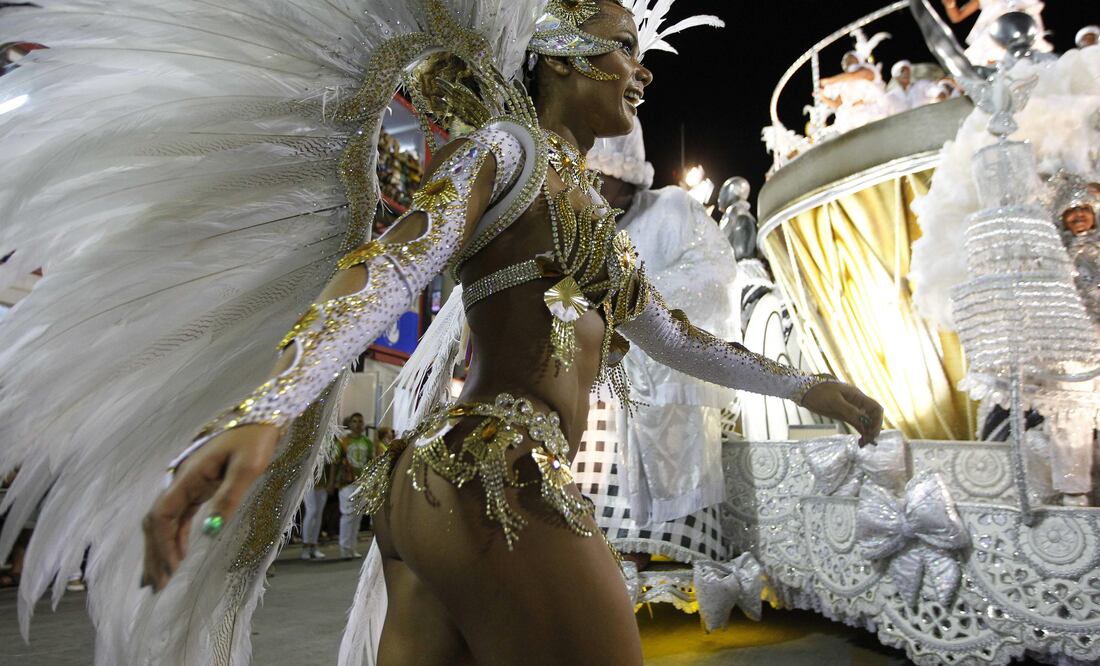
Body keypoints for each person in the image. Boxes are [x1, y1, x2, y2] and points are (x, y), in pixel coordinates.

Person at [0, 1, 883, 664]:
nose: (640, 69)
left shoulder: (601, 229)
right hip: (494, 476)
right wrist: (269, 407)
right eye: (624, 46)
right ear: (563, 54)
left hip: (438, 488)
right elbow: (392, 264)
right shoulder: (509, 151)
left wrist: (808, 386)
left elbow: (677, 337)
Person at [575, 117, 739, 567]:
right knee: (600, 502)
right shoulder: (579, 228)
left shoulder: (674, 209)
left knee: (668, 501)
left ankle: (680, 562)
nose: (587, 187)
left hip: (665, 387)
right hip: (600, 390)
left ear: (620, 172)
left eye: (596, 177)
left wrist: (635, 301)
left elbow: (714, 277)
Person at [819, 34, 892, 135]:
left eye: (850, 57)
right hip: (850, 120)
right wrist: (823, 97)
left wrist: (829, 81)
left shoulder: (869, 70)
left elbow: (854, 75)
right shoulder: (843, 84)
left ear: (858, 59)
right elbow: (837, 104)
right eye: (844, 60)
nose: (846, 61)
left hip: (870, 115)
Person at [941, 0, 1053, 65]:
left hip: (1021, 35)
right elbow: (956, 17)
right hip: (994, 37)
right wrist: (950, 5)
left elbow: (1034, 9)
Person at [336, 413, 374, 559]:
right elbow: (335, 461)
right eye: (354, 421)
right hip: (347, 483)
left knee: (357, 516)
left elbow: (371, 462)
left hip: (362, 483)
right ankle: (344, 547)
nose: (358, 424)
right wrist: (334, 481)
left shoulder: (367, 442)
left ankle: (352, 547)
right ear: (350, 424)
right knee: (347, 514)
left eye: (360, 421)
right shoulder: (343, 441)